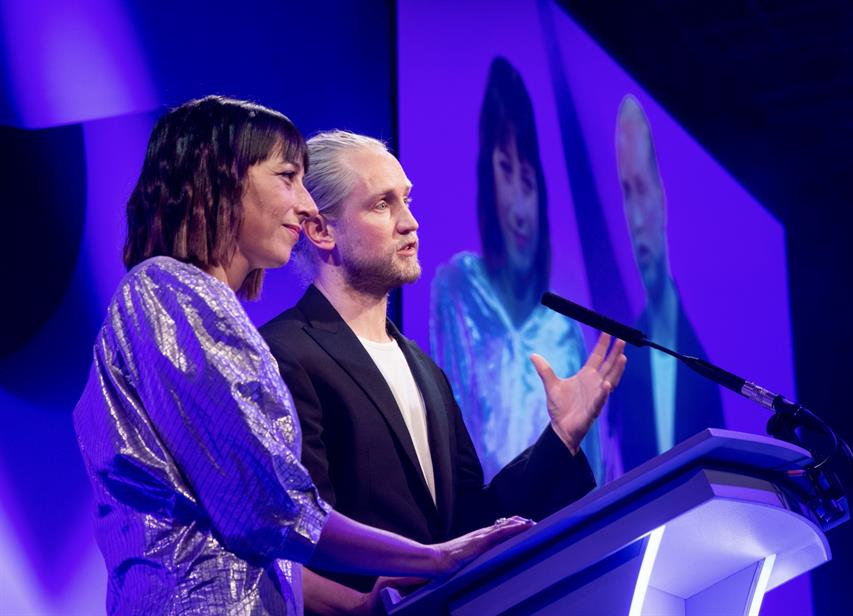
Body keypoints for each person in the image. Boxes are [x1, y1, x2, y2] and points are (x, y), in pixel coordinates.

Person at [72, 96, 531, 616]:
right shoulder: (167, 291)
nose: (307, 205)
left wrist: (358, 605)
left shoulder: (194, 302)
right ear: (222, 179)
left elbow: (257, 541)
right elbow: (270, 505)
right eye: (288, 177)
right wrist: (432, 558)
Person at [261, 128, 627, 601]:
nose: (409, 222)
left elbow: (470, 527)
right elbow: (301, 532)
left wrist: (560, 439)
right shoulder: (286, 354)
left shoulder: (424, 370)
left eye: (407, 201)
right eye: (381, 205)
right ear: (321, 230)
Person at [429, 56, 605, 482]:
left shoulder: (563, 332)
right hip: (480, 535)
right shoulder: (457, 286)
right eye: (505, 171)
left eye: (528, 182)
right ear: (487, 178)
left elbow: (592, 473)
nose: (521, 210)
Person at [608, 95, 725, 471]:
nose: (637, 218)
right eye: (627, 193)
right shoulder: (621, 357)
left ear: (661, 196)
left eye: (641, 190)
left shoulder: (708, 340)